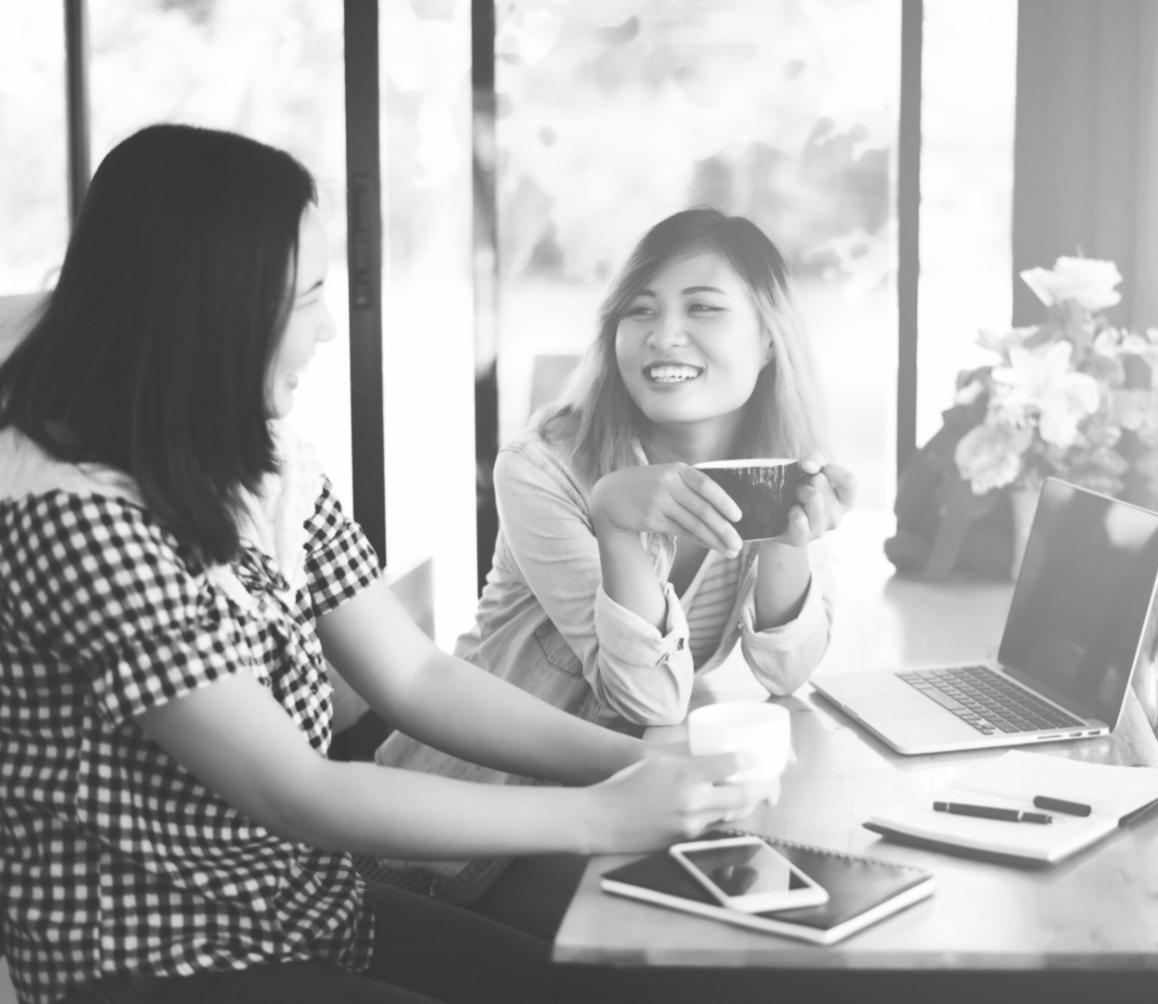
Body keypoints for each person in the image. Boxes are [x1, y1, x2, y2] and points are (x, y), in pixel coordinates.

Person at [0, 125, 767, 1004]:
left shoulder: (262, 459)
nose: (329, 329)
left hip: (299, 908)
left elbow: (415, 674)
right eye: (308, 299)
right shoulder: (73, 516)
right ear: (217, 307)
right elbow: (296, 792)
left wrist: (631, 764)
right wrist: (601, 813)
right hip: (157, 955)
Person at [375, 208, 856, 930]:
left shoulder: (770, 466)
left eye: (703, 308)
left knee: (809, 894)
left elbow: (786, 676)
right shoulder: (543, 470)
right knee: (728, 933)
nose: (664, 335)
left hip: (613, 804)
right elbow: (649, 701)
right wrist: (615, 520)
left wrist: (788, 539)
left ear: (767, 340)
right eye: (641, 310)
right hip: (456, 844)